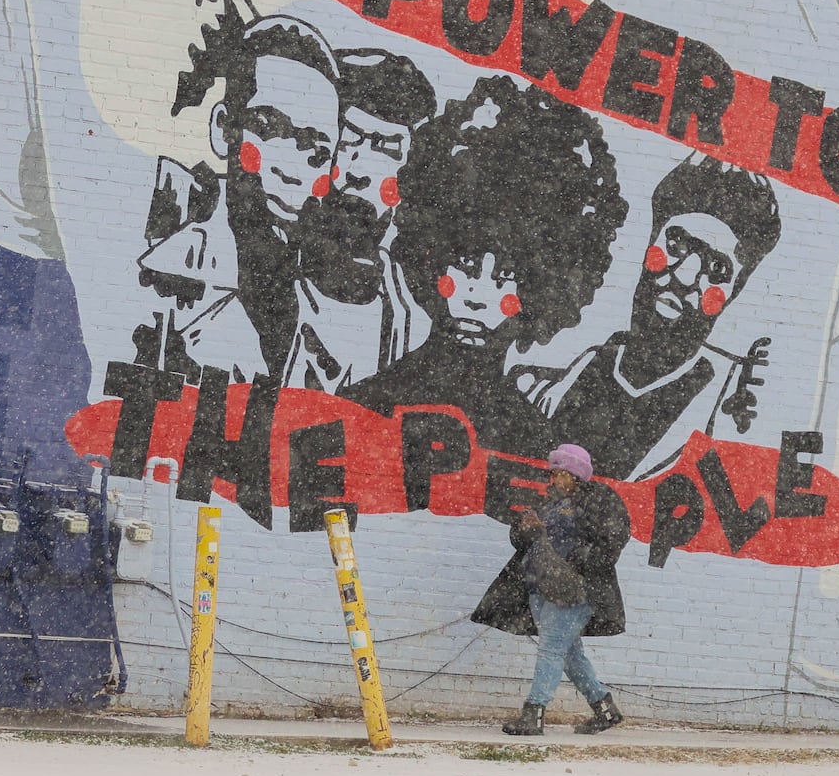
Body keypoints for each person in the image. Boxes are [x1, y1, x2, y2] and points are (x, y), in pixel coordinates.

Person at [343, 74, 628, 457]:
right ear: (432, 261)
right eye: (464, 265)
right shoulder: (365, 407)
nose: (477, 297)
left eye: (506, 278)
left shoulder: (532, 446)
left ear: (541, 292)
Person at [513, 156, 781, 479]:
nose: (685, 276)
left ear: (735, 291)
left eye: (716, 268)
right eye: (677, 243)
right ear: (650, 243)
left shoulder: (722, 407)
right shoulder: (575, 372)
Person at [136, 4, 343, 382]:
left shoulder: (325, 319)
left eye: (317, 151)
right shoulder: (163, 279)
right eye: (268, 129)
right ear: (222, 130)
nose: (292, 169)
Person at [286, 49, 438, 392]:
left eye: (386, 148)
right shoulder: (258, 267)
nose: (357, 171)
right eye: (348, 138)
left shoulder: (409, 322)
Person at [472, 443, 631, 736]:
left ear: (577, 474)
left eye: (561, 474)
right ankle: (605, 710)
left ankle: (534, 715)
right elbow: (523, 542)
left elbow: (613, 538)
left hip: (574, 590)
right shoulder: (550, 502)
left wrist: (579, 561)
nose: (555, 480)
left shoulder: (600, 499)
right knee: (569, 653)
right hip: (540, 586)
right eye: (554, 473)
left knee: (550, 649)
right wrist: (524, 527)